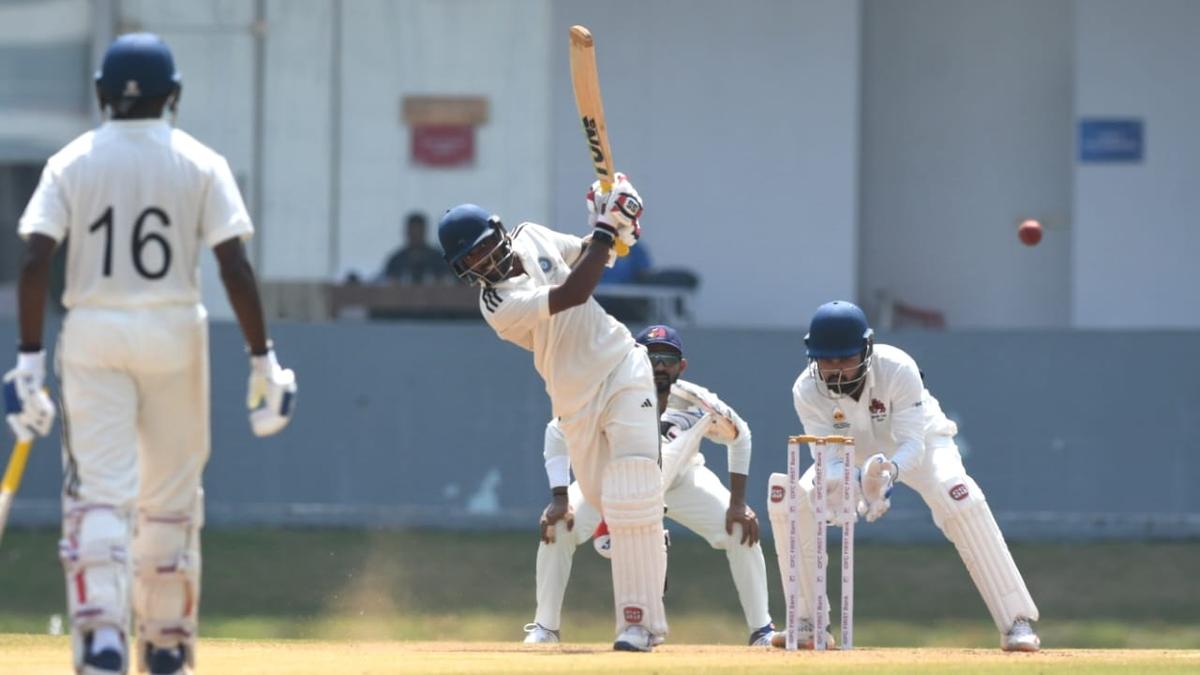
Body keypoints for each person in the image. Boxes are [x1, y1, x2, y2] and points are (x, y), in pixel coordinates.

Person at [5, 33, 297, 675]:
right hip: (173, 331)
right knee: (169, 493)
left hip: (94, 333)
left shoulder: (71, 160)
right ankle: (165, 641)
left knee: (100, 493)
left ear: (102, 94)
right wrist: (262, 359)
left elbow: (33, 260)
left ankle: (102, 639)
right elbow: (234, 267)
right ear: (175, 95)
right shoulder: (200, 161)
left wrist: (27, 363)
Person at [437, 173, 667, 652]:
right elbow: (572, 293)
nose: (484, 260)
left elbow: (586, 252)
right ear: (465, 270)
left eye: (483, 247)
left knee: (633, 489)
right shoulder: (497, 303)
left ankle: (638, 626)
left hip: (624, 365)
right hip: (574, 399)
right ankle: (644, 543)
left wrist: (618, 224)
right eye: (471, 260)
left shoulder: (532, 234)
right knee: (614, 508)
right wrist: (607, 228)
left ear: (499, 232)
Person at [766, 300, 1040, 651]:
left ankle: (1016, 621)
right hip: (851, 449)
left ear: (865, 348)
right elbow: (828, 456)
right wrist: (841, 483)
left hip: (919, 443)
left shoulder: (897, 367)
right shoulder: (806, 389)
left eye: (845, 359)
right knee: (796, 500)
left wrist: (887, 474)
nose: (835, 370)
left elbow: (913, 444)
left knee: (959, 495)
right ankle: (808, 622)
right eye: (826, 360)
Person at [524, 324, 776, 647]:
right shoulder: (605, 395)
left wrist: (739, 504)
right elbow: (556, 432)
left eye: (667, 359)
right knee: (558, 528)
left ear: (681, 366)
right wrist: (559, 498)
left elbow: (740, 436)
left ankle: (762, 630)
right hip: (616, 484)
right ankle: (545, 628)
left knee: (741, 529)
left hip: (682, 480)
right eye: (650, 357)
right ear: (632, 361)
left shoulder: (695, 401)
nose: (659, 366)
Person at [380, 211, 449, 284]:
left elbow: (445, 281)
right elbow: (390, 282)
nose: (415, 235)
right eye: (413, 231)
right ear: (407, 232)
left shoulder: (437, 258)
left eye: (418, 231)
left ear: (424, 231)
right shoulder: (396, 260)